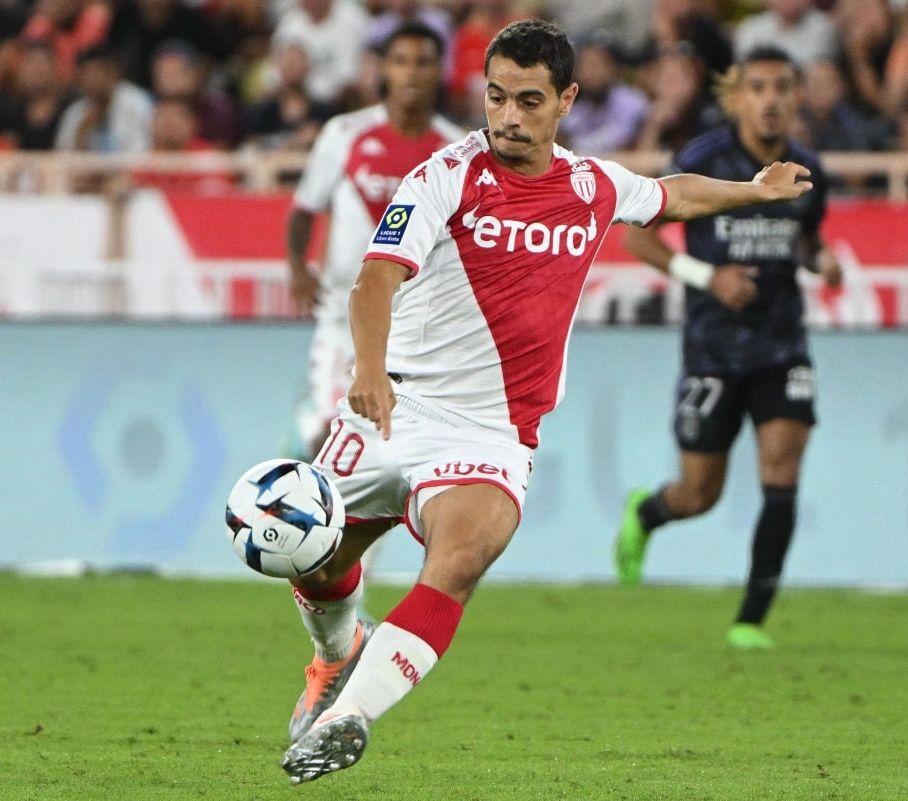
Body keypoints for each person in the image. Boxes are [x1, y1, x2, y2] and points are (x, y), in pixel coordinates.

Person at [271, 19, 815, 784]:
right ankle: (335, 657)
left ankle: (349, 716)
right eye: (497, 98)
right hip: (394, 403)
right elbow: (375, 279)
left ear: (567, 100)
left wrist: (751, 191)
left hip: (492, 433)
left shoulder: (590, 186)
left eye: (529, 101)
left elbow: (668, 197)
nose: (509, 118)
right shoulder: (443, 176)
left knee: (458, 559)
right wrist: (366, 368)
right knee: (314, 558)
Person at [611, 45, 839, 652]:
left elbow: (808, 243)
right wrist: (707, 277)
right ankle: (648, 513)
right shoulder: (703, 160)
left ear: (795, 97)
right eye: (758, 87)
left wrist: (826, 261)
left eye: (782, 87)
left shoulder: (809, 168)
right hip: (712, 348)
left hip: (781, 343)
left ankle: (751, 618)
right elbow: (638, 241)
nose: (770, 99)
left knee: (782, 472)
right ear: (737, 97)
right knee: (699, 494)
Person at [285, 21, 463, 463]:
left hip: (414, 325)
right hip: (342, 315)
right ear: (384, 68)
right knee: (327, 438)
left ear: (440, 70)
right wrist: (296, 268)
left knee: (387, 446)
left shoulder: (455, 150)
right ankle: (307, 438)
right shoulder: (344, 135)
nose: (412, 73)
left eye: (423, 62)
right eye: (401, 61)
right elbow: (305, 209)